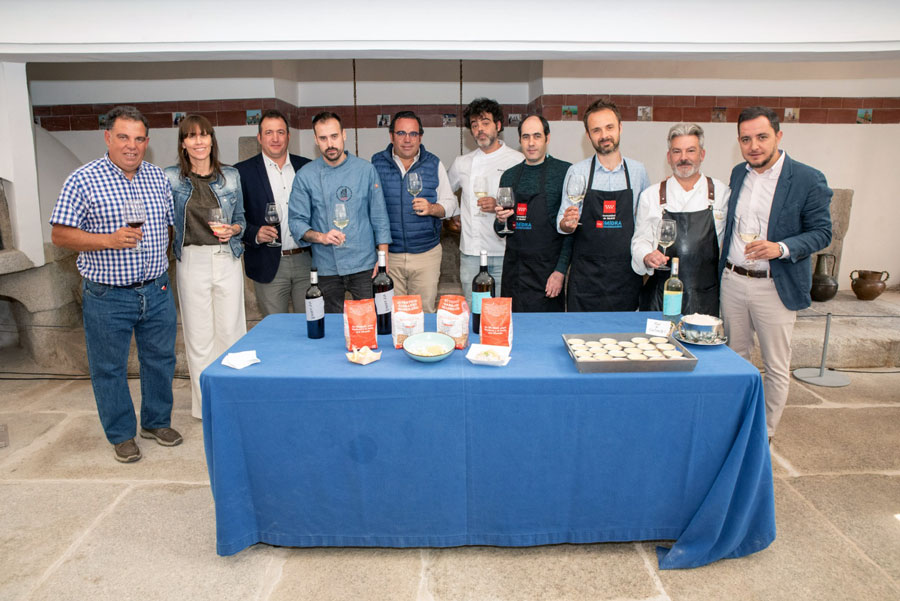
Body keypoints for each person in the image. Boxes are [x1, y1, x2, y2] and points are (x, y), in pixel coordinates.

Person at [49, 105, 182, 463]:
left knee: (160, 360)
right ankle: (121, 434)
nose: (131, 146)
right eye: (123, 137)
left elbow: (169, 226)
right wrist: (107, 240)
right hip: (108, 294)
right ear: (108, 138)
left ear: (147, 143)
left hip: (156, 289)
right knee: (109, 367)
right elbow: (60, 234)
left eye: (139, 139)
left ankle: (155, 422)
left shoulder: (157, 178)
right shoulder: (82, 179)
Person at [719, 106, 832, 439]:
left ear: (778, 136)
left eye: (762, 137)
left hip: (775, 285)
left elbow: (822, 232)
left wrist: (780, 248)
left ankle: (763, 435)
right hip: (733, 281)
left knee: (775, 366)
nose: (754, 145)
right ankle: (736, 428)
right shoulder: (739, 173)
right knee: (734, 359)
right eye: (746, 139)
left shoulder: (808, 179)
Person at [164, 115, 246, 420]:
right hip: (191, 260)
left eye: (203, 135)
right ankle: (206, 408)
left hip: (227, 257)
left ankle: (234, 402)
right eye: (191, 136)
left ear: (212, 139)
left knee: (232, 333)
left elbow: (243, 218)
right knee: (199, 339)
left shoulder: (232, 176)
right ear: (183, 143)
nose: (198, 141)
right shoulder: (170, 178)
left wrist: (234, 229)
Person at [288, 111, 392, 313]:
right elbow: (296, 221)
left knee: (369, 320)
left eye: (334, 136)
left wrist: (383, 256)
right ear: (316, 140)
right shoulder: (305, 175)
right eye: (323, 138)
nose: (330, 144)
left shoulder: (365, 170)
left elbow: (379, 215)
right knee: (331, 325)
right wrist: (321, 236)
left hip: (364, 264)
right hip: (326, 265)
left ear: (344, 135)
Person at [558, 98, 651, 311]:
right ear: (588, 135)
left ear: (620, 127)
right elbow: (561, 222)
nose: (604, 135)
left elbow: (646, 224)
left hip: (626, 275)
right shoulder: (577, 171)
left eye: (609, 127)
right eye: (596, 130)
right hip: (585, 278)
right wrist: (567, 223)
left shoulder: (638, 172)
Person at [632, 123, 729, 315]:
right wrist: (646, 255)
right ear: (669, 157)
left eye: (690, 151)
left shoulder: (721, 194)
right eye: (677, 151)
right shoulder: (651, 195)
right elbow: (639, 240)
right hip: (659, 296)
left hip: (706, 297)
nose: (683, 158)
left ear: (702, 154)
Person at [371, 110, 458, 312]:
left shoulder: (434, 163)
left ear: (420, 137)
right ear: (391, 136)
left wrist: (433, 208)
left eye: (413, 134)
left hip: (426, 255)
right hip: (390, 255)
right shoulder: (376, 164)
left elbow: (451, 203)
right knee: (392, 313)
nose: (407, 139)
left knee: (424, 311)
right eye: (401, 133)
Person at [235, 109, 312, 316]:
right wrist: (254, 233)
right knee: (275, 330)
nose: (275, 138)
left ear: (288, 136)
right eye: (269, 133)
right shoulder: (242, 172)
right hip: (267, 262)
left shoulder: (307, 167)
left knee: (310, 325)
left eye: (280, 132)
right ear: (260, 138)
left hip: (307, 260)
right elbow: (234, 219)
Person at [448, 97, 524, 304]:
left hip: (504, 252)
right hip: (471, 252)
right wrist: (454, 213)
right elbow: (445, 192)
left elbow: (527, 204)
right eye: (474, 125)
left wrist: (499, 206)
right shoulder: (462, 163)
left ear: (498, 126)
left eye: (485, 123)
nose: (480, 129)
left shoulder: (517, 160)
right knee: (475, 310)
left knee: (500, 311)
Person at [493, 114, 572, 312]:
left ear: (547, 138)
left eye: (537, 136)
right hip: (515, 272)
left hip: (547, 275)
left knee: (546, 334)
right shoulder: (509, 176)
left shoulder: (564, 172)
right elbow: (501, 230)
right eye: (526, 137)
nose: (531, 143)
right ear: (519, 140)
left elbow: (571, 232)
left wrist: (560, 272)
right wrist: (500, 220)